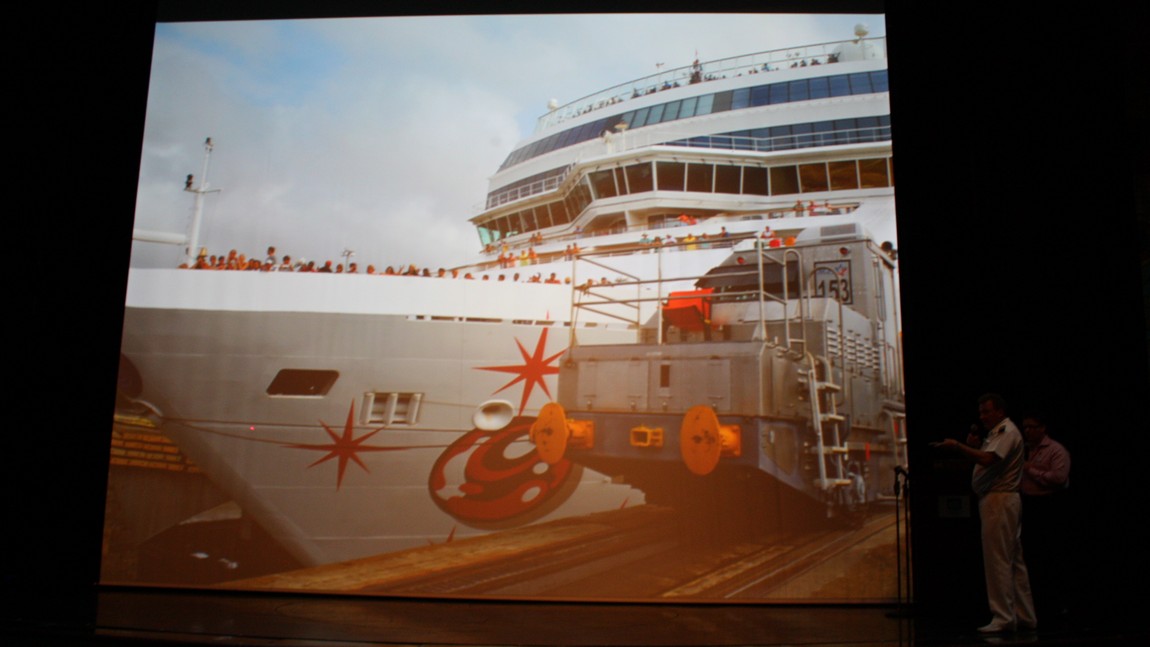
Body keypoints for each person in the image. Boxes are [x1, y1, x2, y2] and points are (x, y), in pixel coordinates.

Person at [933, 393, 1036, 633]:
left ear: (1000, 411)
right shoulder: (996, 433)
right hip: (1000, 500)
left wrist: (959, 447)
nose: (982, 416)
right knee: (1013, 561)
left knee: (997, 559)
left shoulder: (1006, 432)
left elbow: (990, 459)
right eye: (980, 412)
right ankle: (1025, 615)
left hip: (999, 500)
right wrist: (973, 447)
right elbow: (989, 457)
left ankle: (1003, 617)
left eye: (987, 411)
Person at [1020, 413, 1070, 623]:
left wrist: (1031, 471)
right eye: (1025, 427)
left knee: (1050, 557)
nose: (1028, 431)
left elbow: (1059, 478)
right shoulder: (1025, 450)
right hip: (1028, 507)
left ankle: (1055, 607)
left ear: (1042, 428)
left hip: (1048, 507)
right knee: (1031, 557)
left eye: (1032, 427)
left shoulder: (1056, 450)